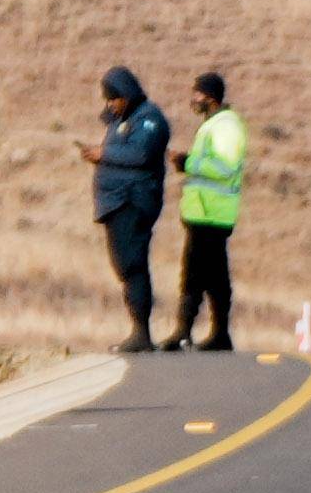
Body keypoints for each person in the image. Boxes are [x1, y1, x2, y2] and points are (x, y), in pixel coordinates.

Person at [79, 67, 171, 352]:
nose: (110, 105)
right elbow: (120, 141)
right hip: (115, 204)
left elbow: (141, 153)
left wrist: (104, 154)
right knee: (124, 267)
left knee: (133, 265)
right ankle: (137, 329)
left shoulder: (150, 119)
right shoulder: (122, 120)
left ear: (127, 95)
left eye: (114, 99)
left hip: (134, 201)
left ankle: (141, 332)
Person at [170, 69, 250, 353]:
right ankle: (218, 334)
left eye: (198, 93)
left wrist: (187, 163)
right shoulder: (214, 124)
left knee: (194, 273)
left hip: (211, 214)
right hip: (205, 213)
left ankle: (184, 332)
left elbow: (225, 167)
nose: (194, 99)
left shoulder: (226, 126)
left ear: (212, 97)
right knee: (215, 276)